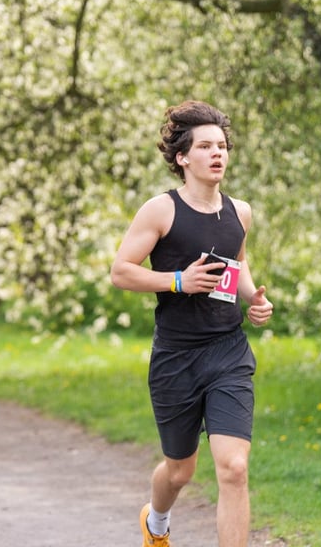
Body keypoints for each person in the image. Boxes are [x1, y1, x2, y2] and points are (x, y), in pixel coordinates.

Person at [110, 101, 273, 547]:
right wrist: (178, 281)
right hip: (176, 356)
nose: (217, 153)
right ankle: (156, 521)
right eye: (205, 146)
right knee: (180, 470)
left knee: (234, 468)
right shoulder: (160, 210)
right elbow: (121, 271)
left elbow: (236, 263)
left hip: (227, 351)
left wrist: (253, 298)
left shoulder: (240, 212)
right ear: (182, 157)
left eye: (222, 146)